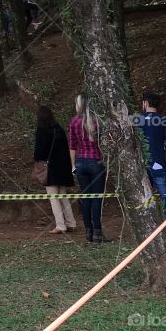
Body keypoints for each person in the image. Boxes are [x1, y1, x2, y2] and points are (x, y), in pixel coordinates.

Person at [135, 89, 166, 246]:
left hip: (142, 165)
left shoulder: (137, 120)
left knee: (145, 199)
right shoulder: (163, 120)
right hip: (159, 164)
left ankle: (146, 233)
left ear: (145, 103)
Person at [69, 92, 111, 243]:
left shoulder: (74, 122)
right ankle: (98, 232)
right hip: (96, 162)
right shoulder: (98, 121)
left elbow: (72, 146)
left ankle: (88, 231)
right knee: (96, 199)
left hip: (80, 162)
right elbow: (105, 144)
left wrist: (73, 165)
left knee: (86, 198)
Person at [34, 105, 77, 234]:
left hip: (51, 168)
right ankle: (71, 222)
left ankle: (60, 225)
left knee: (54, 197)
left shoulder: (42, 131)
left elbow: (38, 153)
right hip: (63, 168)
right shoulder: (59, 129)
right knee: (63, 196)